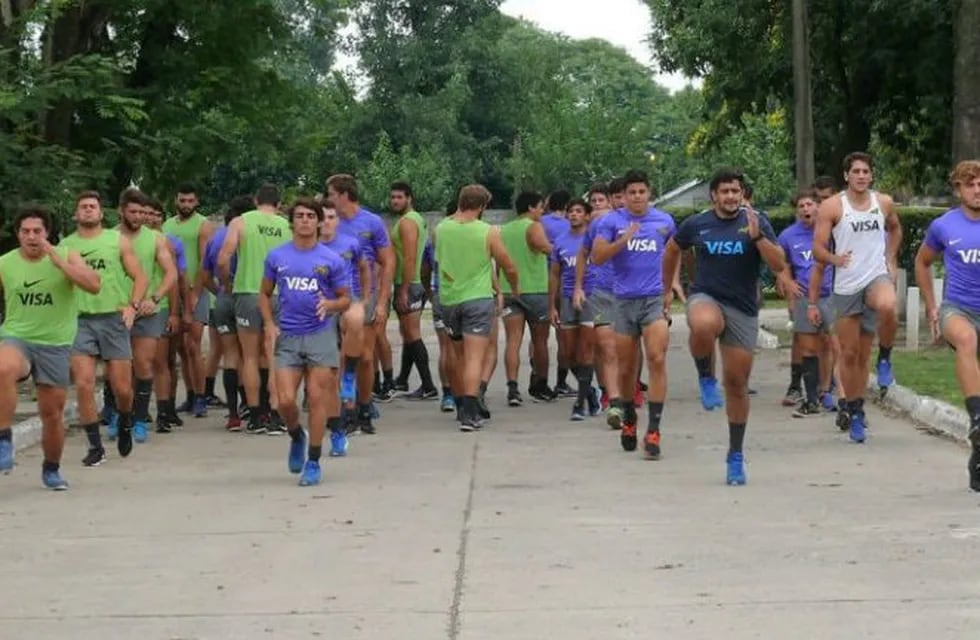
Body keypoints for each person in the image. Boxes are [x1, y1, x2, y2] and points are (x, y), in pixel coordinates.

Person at [661, 168, 790, 485]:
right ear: (714, 196)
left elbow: (778, 264)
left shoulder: (756, 221)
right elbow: (672, 250)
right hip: (706, 296)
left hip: (743, 308)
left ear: (742, 194)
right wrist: (669, 286)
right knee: (704, 324)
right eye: (725, 192)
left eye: (736, 191)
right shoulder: (697, 223)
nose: (731, 197)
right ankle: (705, 376)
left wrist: (758, 236)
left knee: (736, 385)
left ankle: (735, 454)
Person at [0, 207, 101, 489]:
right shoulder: (5, 263)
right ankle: (3, 440)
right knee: (3, 367)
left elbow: (94, 285)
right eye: (25, 231)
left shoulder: (66, 253)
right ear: (17, 234)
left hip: (55, 344)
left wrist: (59, 262)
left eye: (37, 231)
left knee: (52, 414)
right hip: (17, 336)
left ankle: (51, 468)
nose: (31, 237)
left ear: (48, 233)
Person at [259, 198, 350, 486]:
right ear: (292, 222)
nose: (306, 220)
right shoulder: (277, 257)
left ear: (320, 222)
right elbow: (264, 293)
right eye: (300, 216)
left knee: (316, 397)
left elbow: (346, 298)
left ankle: (313, 461)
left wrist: (331, 305)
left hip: (320, 335)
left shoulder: (331, 260)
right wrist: (270, 324)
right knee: (284, 401)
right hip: (288, 334)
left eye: (311, 216)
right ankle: (297, 434)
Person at [811, 151, 901, 444]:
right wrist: (836, 259)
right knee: (852, 356)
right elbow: (818, 249)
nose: (861, 176)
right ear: (846, 176)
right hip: (847, 286)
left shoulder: (883, 202)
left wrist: (891, 257)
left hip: (876, 276)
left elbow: (895, 228)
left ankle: (885, 358)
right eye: (856, 171)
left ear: (871, 175)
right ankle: (856, 410)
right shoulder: (832, 206)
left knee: (888, 304)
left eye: (866, 171)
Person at [592, 170, 676, 458]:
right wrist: (623, 241)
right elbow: (597, 257)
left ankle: (654, 430)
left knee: (656, 358)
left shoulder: (664, 221)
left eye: (642, 191)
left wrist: (671, 285)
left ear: (649, 193)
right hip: (624, 302)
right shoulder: (611, 222)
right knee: (627, 369)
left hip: (653, 300)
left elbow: (675, 253)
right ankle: (629, 417)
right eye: (632, 193)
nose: (637, 197)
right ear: (624, 196)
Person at [60, 190, 148, 462]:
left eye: (92, 207)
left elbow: (140, 277)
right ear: (76, 214)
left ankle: (124, 421)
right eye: (83, 206)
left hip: (112, 317)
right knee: (84, 384)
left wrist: (133, 306)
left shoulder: (116, 241)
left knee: (122, 388)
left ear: (101, 213)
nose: (88, 210)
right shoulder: (65, 246)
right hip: (80, 320)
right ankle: (94, 447)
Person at [915, 159, 980, 490]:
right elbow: (922, 262)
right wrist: (931, 305)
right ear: (958, 189)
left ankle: (977, 453)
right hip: (959, 309)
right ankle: (977, 417)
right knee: (966, 341)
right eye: (970, 183)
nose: (977, 189)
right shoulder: (944, 226)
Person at [434, 184, 519, 431]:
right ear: (482, 206)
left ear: (460, 201)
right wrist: (514, 287)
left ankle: (459, 402)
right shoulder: (488, 231)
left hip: (449, 299)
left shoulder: (441, 229)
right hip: (478, 300)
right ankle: (470, 412)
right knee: (474, 357)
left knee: (456, 355)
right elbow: (508, 265)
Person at [219, 183, 293, 435]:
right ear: (279, 204)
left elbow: (223, 257)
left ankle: (254, 414)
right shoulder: (287, 225)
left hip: (248, 291)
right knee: (272, 355)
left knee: (249, 356)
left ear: (255, 199)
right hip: (280, 294)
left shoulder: (240, 222)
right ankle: (274, 413)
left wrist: (228, 282)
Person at [326, 174, 395, 435]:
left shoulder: (371, 222)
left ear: (343, 194)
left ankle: (365, 406)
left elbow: (388, 261)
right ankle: (347, 409)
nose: (328, 198)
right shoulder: (327, 222)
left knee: (364, 357)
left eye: (331, 193)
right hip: (331, 298)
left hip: (360, 297)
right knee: (337, 358)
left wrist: (381, 300)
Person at [117, 189, 179, 442]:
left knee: (143, 363)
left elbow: (171, 273)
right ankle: (119, 415)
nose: (139, 216)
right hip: (117, 309)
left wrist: (155, 299)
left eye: (143, 212)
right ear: (121, 211)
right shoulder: (109, 238)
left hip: (147, 310)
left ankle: (140, 418)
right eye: (133, 211)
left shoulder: (156, 239)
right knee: (118, 366)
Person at [778, 189, 835, 417]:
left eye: (809, 204)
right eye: (801, 206)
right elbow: (780, 264)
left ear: (818, 207)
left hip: (831, 294)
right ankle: (810, 398)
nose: (805, 209)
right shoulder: (788, 236)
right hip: (804, 296)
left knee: (829, 342)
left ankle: (826, 390)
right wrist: (788, 284)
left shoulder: (831, 232)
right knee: (808, 346)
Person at [198, 195, 252, 431]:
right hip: (245, 296)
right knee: (250, 355)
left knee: (230, 355)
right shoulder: (249, 234)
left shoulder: (215, 238)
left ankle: (232, 415)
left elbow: (204, 276)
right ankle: (251, 405)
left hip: (222, 299)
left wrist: (221, 289)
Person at [319, 199, 371, 428]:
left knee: (356, 319)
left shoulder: (350, 243)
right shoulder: (310, 247)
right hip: (321, 305)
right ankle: (339, 413)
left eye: (332, 217)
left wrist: (366, 297)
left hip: (348, 301)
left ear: (338, 220)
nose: (328, 222)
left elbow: (364, 268)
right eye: (324, 218)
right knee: (330, 365)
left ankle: (350, 379)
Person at [499, 191, 554, 405]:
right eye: (541, 207)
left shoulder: (505, 229)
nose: (542, 211)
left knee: (513, 340)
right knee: (540, 340)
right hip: (535, 290)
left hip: (509, 290)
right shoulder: (534, 226)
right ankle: (540, 383)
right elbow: (544, 247)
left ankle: (512, 387)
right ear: (531, 208)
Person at [164, 183, 214, 418]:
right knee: (182, 348)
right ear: (176, 201)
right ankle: (191, 394)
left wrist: (195, 292)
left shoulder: (203, 225)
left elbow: (205, 260)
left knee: (194, 346)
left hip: (196, 289)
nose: (186, 205)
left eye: (190, 201)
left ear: (197, 202)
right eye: (182, 201)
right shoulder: (167, 225)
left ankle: (202, 396)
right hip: (173, 291)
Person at [550, 198, 601, 421]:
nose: (573, 215)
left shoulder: (594, 240)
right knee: (568, 354)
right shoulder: (560, 241)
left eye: (579, 211)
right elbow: (554, 274)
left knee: (585, 351)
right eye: (570, 211)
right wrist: (551, 304)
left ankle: (579, 404)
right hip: (568, 298)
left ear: (587, 215)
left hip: (592, 297)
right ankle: (589, 391)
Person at [143, 201, 190, 432]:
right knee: (138, 363)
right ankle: (137, 410)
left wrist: (176, 312)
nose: (150, 218)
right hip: (133, 307)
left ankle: (165, 410)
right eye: (147, 214)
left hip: (159, 308)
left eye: (155, 215)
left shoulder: (168, 244)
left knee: (164, 361)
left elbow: (176, 280)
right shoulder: (124, 240)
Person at [577, 180, 623, 413]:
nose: (597, 206)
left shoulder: (639, 223)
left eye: (601, 200)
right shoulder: (595, 225)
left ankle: (628, 388)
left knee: (627, 346)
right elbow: (583, 254)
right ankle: (611, 396)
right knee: (605, 346)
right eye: (593, 201)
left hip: (630, 292)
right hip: (601, 290)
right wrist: (578, 286)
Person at [389, 181, 438, 399]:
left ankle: (428, 386)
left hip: (409, 282)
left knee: (412, 334)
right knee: (408, 333)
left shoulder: (408, 222)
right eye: (393, 197)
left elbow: (409, 257)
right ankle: (402, 380)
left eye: (399, 197)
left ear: (410, 198)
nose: (395, 201)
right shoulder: (416, 219)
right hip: (414, 282)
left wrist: (404, 289)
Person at [540, 190, 575, 397]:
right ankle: (561, 382)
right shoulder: (570, 225)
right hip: (563, 281)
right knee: (564, 335)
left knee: (539, 338)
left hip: (539, 282)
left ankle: (538, 378)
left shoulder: (539, 223)